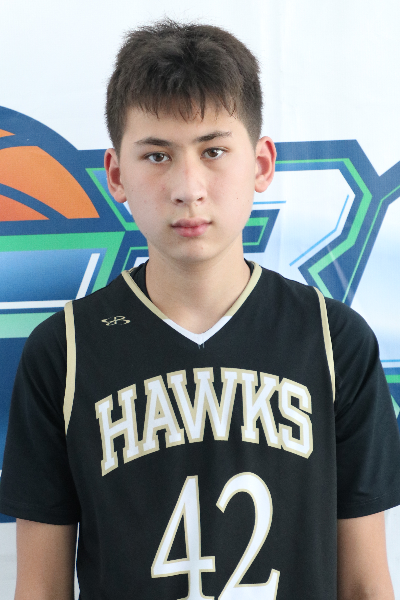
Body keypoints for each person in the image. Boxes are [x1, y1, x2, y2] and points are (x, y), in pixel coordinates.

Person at [1, 19, 400, 600]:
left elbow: (365, 585)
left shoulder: (334, 342)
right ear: (116, 174)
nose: (188, 187)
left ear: (260, 164)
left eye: (213, 151)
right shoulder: (64, 352)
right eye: (156, 155)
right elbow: (40, 589)